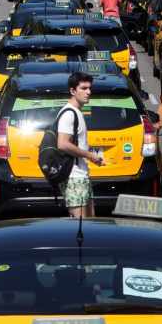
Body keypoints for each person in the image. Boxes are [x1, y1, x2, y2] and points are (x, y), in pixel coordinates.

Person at [56, 71, 105, 218]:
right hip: (74, 177)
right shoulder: (69, 114)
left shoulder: (76, 112)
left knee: (89, 224)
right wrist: (90, 155)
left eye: (90, 88)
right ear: (72, 90)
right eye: (83, 88)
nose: (88, 92)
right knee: (81, 226)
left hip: (81, 175)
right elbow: (62, 144)